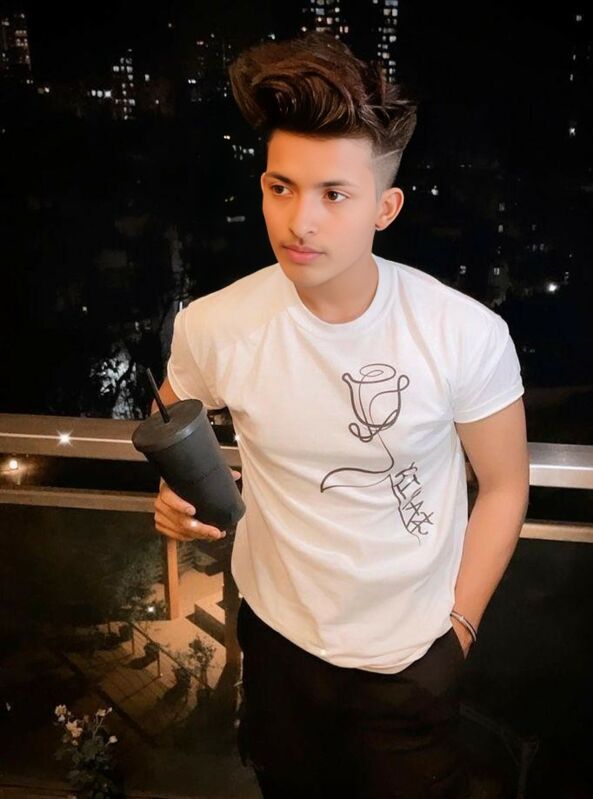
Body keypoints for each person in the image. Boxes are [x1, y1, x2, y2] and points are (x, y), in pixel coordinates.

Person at [151, 31, 529, 799]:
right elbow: (173, 415)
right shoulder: (214, 325)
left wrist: (457, 630)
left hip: (409, 659)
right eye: (281, 187)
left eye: (334, 194)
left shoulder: (462, 332)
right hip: (275, 640)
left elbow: (505, 484)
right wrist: (175, 490)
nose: (300, 221)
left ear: (385, 207)